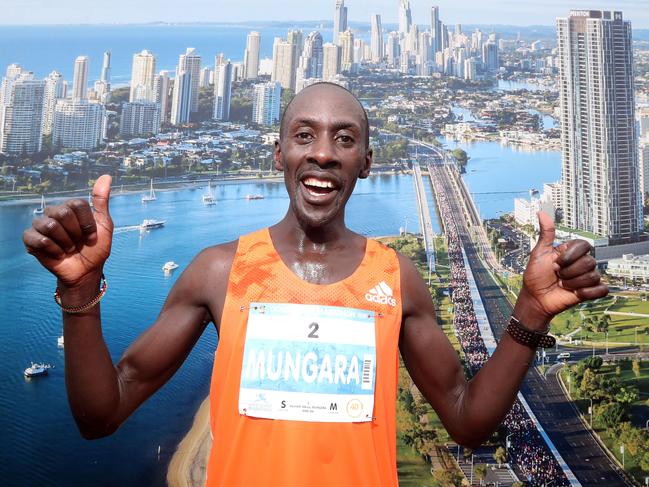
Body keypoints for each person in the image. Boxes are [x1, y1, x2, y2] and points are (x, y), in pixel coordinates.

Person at [23, 82, 607, 486]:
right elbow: (101, 415)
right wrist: (79, 294)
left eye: (344, 139)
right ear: (279, 154)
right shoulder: (220, 271)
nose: (323, 153)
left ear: (367, 162)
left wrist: (530, 312)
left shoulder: (395, 277)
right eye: (304, 136)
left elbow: (468, 420)